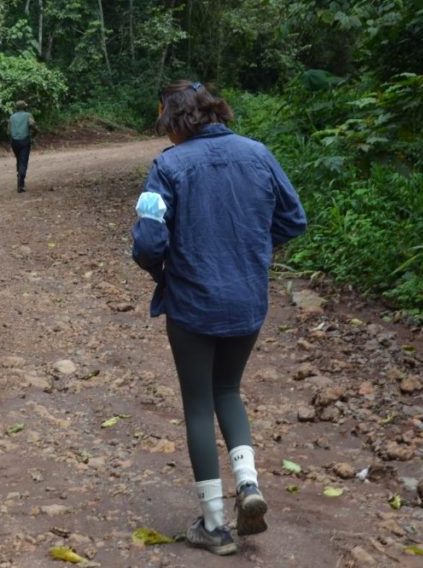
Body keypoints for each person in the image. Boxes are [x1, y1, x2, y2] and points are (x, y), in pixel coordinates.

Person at [130, 80, 307, 556]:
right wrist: (249, 252)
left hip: (192, 304)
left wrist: (162, 270)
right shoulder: (258, 153)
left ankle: (213, 524)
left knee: (197, 404)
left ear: (173, 118)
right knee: (229, 390)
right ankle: (248, 484)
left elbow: (147, 243)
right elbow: (293, 219)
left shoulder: (167, 166)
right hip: (248, 302)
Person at [8, 100, 38, 193]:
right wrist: (35, 132)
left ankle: (19, 175)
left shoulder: (12, 117)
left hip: (14, 141)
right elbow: (32, 124)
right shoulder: (28, 115)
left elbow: (8, 131)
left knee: (19, 159)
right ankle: (21, 183)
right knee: (23, 161)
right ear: (24, 107)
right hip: (25, 140)